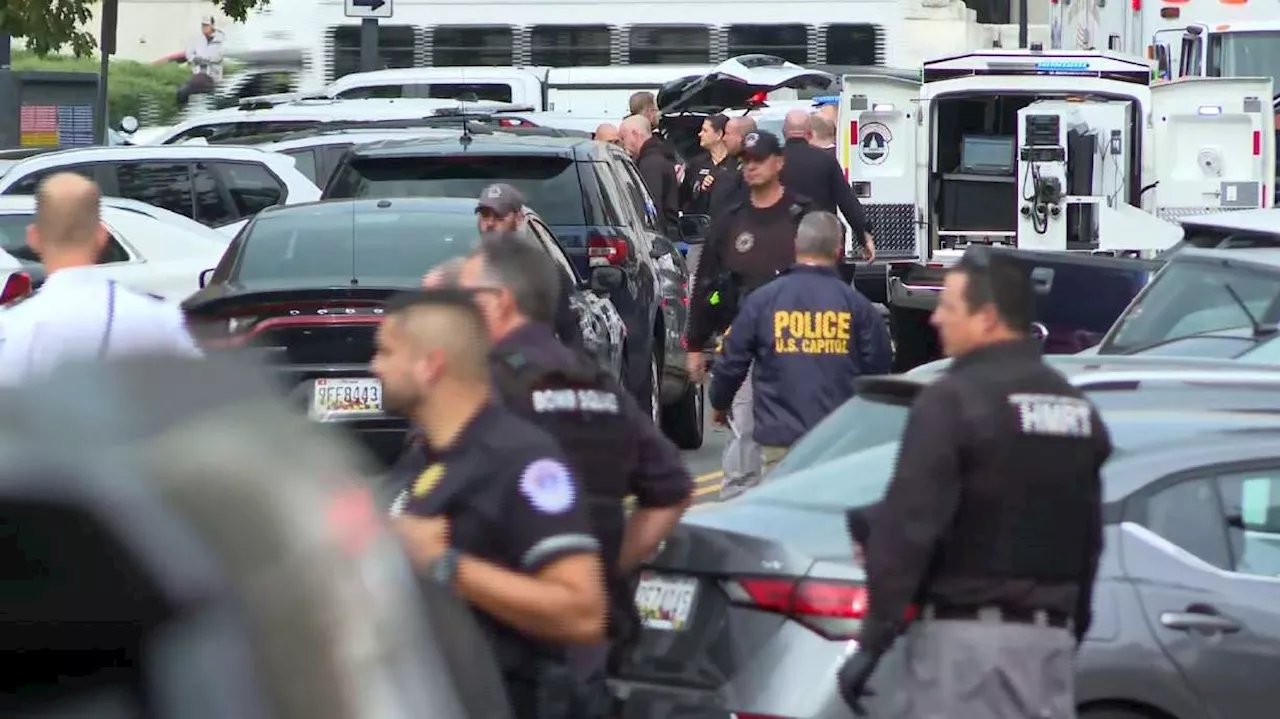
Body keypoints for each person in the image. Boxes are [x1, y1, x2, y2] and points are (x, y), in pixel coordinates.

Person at [836, 249, 1112, 719]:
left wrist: (872, 641)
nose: (936, 319)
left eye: (949, 307)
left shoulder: (953, 402)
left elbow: (910, 528)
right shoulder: (1077, 410)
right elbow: (1089, 541)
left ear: (986, 318)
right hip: (1050, 647)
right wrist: (1069, 630)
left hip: (967, 649)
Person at [454, 233, 693, 693]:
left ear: (499, 302)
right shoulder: (597, 383)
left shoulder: (483, 386)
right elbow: (671, 491)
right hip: (596, 643)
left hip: (509, 643)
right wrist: (608, 565)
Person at [377, 289, 607, 719]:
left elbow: (581, 611)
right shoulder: (422, 461)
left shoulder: (523, 463)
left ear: (430, 366)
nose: (375, 366)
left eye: (387, 352)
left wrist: (444, 564)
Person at [709, 212, 891, 479]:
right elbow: (878, 371)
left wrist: (720, 403)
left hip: (781, 441)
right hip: (838, 442)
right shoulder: (859, 309)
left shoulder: (762, 302)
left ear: (796, 246)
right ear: (838, 251)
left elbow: (732, 360)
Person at [685, 130, 815, 495]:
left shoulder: (802, 215)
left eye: (758, 160)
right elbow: (707, 284)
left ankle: (788, 501)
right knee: (744, 427)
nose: (751, 168)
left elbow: (826, 280)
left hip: (797, 341)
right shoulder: (730, 220)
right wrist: (696, 343)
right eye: (745, 161)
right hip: (741, 340)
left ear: (779, 162)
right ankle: (736, 506)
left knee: (795, 431)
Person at [0, 173, 201, 385]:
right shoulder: (158, 316)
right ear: (102, 236)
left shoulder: (13, 326)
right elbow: (199, 390)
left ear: (33, 237)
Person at [423, 183, 582, 349]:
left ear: (519, 219)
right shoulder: (459, 274)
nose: (490, 223)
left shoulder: (546, 273)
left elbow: (570, 336)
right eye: (485, 215)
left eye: (499, 216)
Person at [780, 109, 875, 264]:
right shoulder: (826, 160)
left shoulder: (773, 162)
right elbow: (847, 201)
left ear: (784, 132)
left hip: (783, 241)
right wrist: (863, 237)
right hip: (822, 241)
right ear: (809, 133)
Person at [621, 114, 680, 234]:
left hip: (656, 237)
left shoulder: (650, 165)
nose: (623, 143)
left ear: (635, 134)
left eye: (623, 137)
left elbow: (651, 208)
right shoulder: (658, 158)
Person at [680, 114, 735, 216]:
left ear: (719, 134)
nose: (700, 134)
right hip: (699, 226)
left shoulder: (735, 163)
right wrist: (701, 189)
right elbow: (684, 198)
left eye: (705, 131)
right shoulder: (696, 164)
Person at [705, 115, 755, 222]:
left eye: (728, 134)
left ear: (742, 137)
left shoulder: (755, 167)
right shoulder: (726, 163)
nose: (724, 138)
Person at [177, 15, 225, 105]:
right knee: (183, 91)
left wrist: (202, 59)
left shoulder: (221, 39)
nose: (204, 28)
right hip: (198, 75)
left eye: (206, 25)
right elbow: (189, 53)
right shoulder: (197, 39)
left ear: (212, 25)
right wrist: (195, 59)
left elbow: (218, 56)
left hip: (213, 77)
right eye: (203, 25)